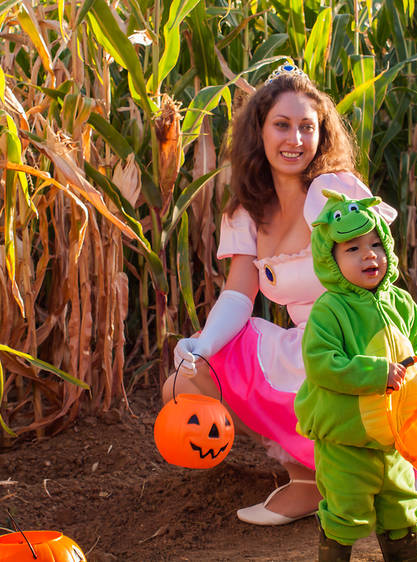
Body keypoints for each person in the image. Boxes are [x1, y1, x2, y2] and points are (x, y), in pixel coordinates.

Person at [161, 61, 397, 525]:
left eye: (307, 127)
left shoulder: (333, 193)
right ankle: (307, 477)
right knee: (187, 380)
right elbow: (238, 296)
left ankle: (356, 471)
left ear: (321, 133)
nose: (295, 140)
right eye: (282, 125)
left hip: (357, 339)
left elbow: (378, 270)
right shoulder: (247, 211)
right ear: (260, 132)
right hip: (308, 343)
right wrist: (202, 346)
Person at [295, 190, 417, 561]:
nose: (369, 254)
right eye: (352, 249)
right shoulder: (329, 310)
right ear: (331, 260)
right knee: (346, 511)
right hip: (347, 441)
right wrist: (376, 373)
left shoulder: (400, 303)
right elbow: (322, 363)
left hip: (396, 440)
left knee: (403, 508)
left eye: (375, 244)